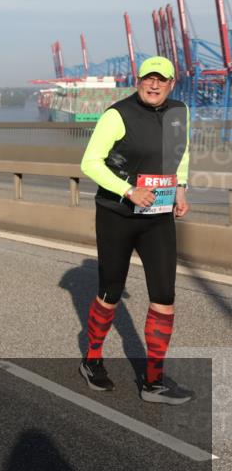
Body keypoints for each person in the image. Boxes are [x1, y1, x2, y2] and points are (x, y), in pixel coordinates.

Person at [78, 56, 192, 404]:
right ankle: (92, 359)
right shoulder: (117, 114)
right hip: (118, 214)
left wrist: (181, 186)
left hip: (157, 217)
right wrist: (127, 189)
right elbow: (89, 162)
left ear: (172, 84)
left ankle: (153, 381)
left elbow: (179, 152)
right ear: (138, 80)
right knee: (111, 292)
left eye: (161, 80)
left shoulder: (179, 113)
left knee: (165, 297)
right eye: (148, 79)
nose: (153, 85)